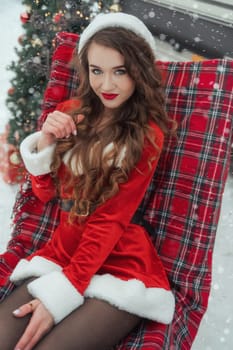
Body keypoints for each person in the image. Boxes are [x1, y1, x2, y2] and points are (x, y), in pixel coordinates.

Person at [0, 12, 175, 350]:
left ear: (138, 71)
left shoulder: (147, 134)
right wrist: (46, 145)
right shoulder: (72, 111)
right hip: (64, 249)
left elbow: (109, 221)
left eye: (119, 71)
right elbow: (46, 193)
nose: (106, 85)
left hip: (121, 261)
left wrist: (63, 293)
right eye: (97, 71)